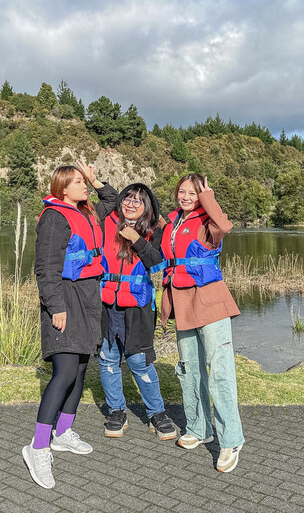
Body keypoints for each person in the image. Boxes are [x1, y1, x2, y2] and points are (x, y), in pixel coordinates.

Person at [23, 159, 116, 490]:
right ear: (61, 187)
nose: (82, 186)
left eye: (82, 182)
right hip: (65, 299)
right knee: (63, 373)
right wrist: (55, 306)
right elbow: (45, 268)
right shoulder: (54, 218)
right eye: (77, 181)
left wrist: (95, 180)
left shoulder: (87, 213)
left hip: (88, 299)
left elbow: (112, 201)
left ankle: (63, 433)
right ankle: (37, 447)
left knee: (79, 371)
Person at [160, 173, 244, 473]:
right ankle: (199, 428)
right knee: (189, 370)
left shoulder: (208, 223)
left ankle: (231, 440)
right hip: (182, 304)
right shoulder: (171, 223)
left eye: (193, 193)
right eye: (182, 191)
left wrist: (208, 198)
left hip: (210, 304)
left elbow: (224, 225)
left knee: (219, 373)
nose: (185, 197)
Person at [98, 183, 177, 440]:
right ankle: (116, 411)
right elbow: (106, 198)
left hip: (138, 307)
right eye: (127, 199)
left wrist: (137, 241)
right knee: (109, 360)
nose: (131, 205)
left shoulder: (155, 231)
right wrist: (96, 182)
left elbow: (158, 266)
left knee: (139, 362)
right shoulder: (106, 223)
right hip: (107, 304)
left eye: (138, 201)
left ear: (147, 207)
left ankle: (156, 413)